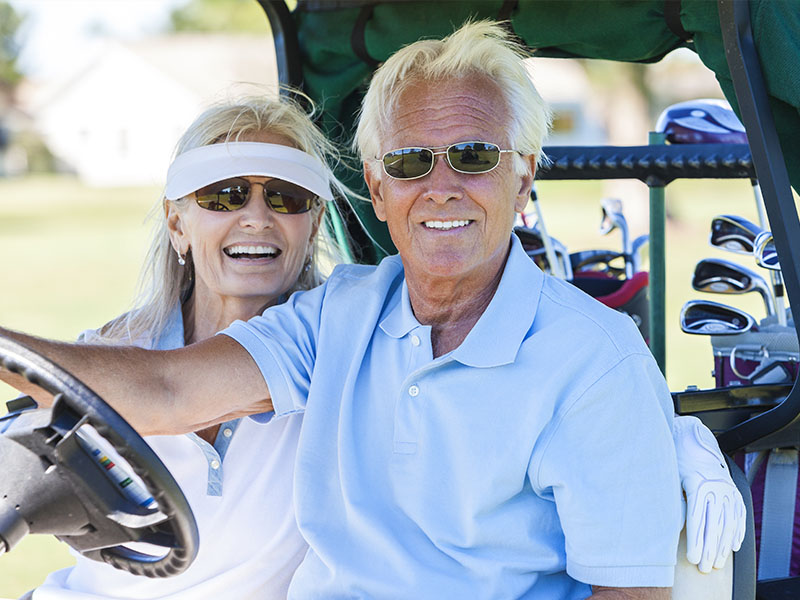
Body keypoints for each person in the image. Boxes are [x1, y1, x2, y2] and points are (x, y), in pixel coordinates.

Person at [1, 21, 744, 599]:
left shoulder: (593, 358)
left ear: (523, 180)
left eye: (476, 157)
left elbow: (630, 590)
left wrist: (658, 428)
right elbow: (164, 391)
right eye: (412, 162)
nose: (442, 186)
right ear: (379, 190)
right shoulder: (341, 316)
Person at [27, 94, 351, 600]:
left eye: (287, 197)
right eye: (225, 195)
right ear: (177, 224)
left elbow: (168, 391)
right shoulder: (108, 351)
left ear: (311, 227)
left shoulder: (341, 347)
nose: (258, 217)